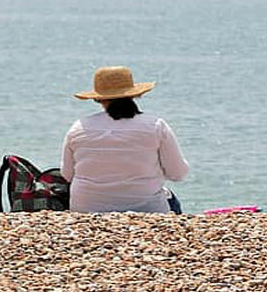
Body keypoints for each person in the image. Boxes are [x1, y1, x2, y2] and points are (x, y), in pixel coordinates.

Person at [62, 66, 189, 213]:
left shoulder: (79, 127)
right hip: (147, 209)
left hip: (86, 209)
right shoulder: (155, 126)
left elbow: (67, 175)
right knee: (171, 200)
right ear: (134, 95)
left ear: (98, 98)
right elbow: (178, 173)